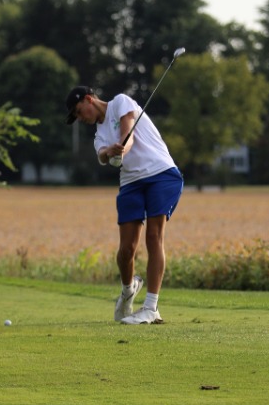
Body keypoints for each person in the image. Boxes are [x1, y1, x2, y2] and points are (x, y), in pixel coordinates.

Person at [65, 86, 183, 325]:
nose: (80, 118)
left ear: (89, 99)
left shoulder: (120, 102)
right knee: (126, 249)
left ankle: (151, 308)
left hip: (160, 173)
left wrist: (121, 149)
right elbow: (101, 155)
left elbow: (128, 135)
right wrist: (110, 152)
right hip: (131, 182)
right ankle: (128, 290)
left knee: (153, 237)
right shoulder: (98, 135)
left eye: (79, 111)